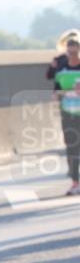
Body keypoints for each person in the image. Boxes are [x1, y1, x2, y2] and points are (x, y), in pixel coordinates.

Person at [50, 36, 80, 195]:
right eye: (70, 52)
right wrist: (64, 93)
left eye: (75, 52)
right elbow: (55, 93)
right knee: (72, 148)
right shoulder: (61, 71)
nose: (73, 55)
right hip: (68, 114)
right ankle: (75, 181)